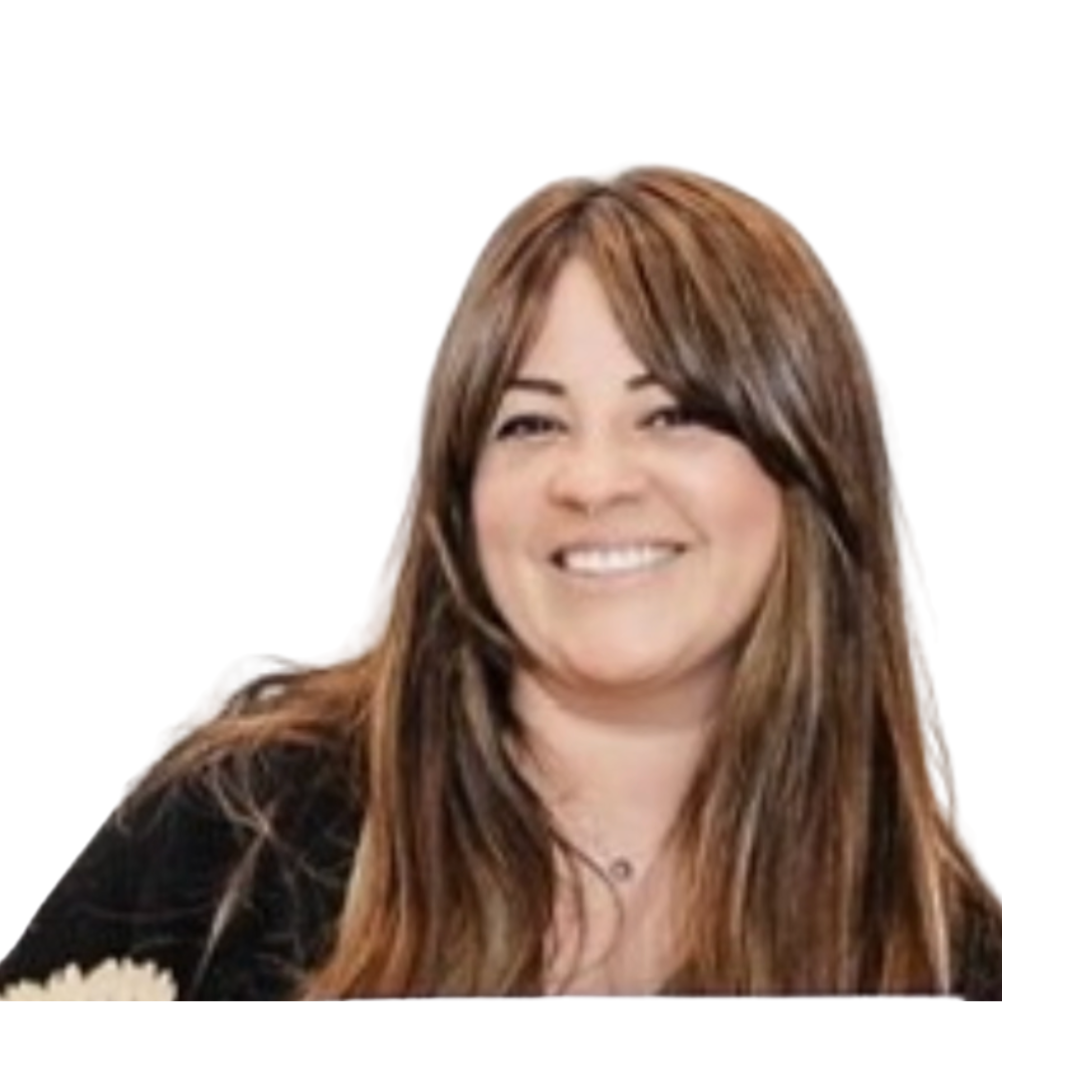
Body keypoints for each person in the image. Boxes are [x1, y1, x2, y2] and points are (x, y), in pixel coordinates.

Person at [0, 166, 1002, 1000]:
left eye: (673, 415)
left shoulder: (946, 953)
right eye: (529, 423)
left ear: (807, 469)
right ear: (460, 494)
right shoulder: (238, 838)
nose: (594, 480)